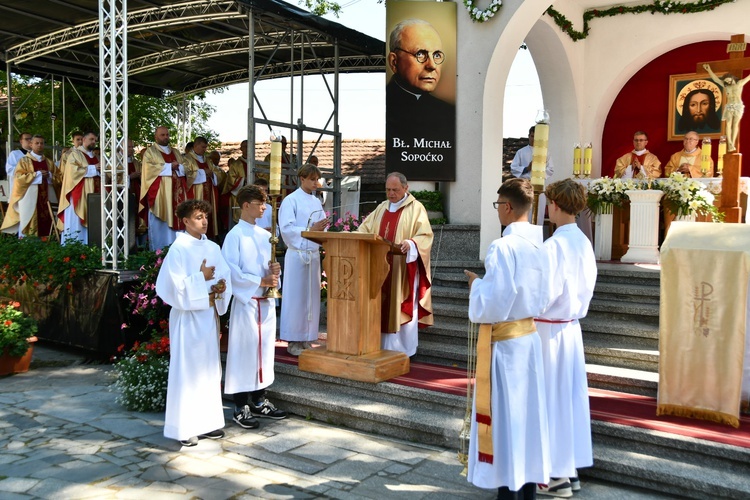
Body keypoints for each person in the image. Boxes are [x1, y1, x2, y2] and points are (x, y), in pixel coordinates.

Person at [463, 178, 551, 499]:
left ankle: (507, 491)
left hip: (506, 348)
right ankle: (527, 490)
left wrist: (476, 286)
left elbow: (494, 303)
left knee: (504, 421)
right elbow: (543, 296)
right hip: (528, 338)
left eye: (498, 205)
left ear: (508, 207)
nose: (498, 211)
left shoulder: (503, 246)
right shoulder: (542, 246)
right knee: (525, 420)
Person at [536, 179, 597, 498]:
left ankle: (553, 475)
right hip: (570, 328)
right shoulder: (583, 242)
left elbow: (542, 295)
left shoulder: (554, 246)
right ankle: (569, 469)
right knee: (567, 400)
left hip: (548, 330)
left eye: (548, 203)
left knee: (551, 399)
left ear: (555, 206)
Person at [155, 199, 231, 447]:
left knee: (208, 369)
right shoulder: (179, 249)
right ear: (186, 221)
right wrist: (201, 277)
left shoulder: (213, 247)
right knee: (187, 370)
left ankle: (207, 423)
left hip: (208, 314)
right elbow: (170, 287)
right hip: (187, 317)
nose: (204, 221)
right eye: (198, 217)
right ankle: (184, 427)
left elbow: (224, 275)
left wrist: (220, 286)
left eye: (205, 216)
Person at [222, 185, 287, 429]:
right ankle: (240, 406)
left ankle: (260, 399)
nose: (264, 208)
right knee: (244, 352)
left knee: (263, 352)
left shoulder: (264, 235)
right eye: (260, 204)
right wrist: (260, 281)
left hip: (265, 302)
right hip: (247, 302)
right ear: (245, 205)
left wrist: (275, 274)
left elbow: (269, 266)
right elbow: (230, 270)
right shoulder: (234, 235)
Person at [357, 172, 433, 357]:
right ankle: (381, 347)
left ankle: (404, 351)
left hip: (402, 268)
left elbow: (425, 235)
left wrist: (412, 243)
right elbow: (364, 230)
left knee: (401, 307)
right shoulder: (382, 208)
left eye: (395, 190)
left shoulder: (416, 208)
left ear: (406, 188)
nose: (391, 194)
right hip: (379, 267)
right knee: (380, 307)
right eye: (388, 190)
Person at [386, 19, 455, 180]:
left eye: (436, 55)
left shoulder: (448, 111)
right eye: (420, 54)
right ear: (394, 62)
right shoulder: (390, 109)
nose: (432, 65)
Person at [278, 163, 328, 356]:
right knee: (297, 298)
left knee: (311, 298)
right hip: (298, 255)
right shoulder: (291, 200)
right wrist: (310, 230)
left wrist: (322, 227)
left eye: (317, 179)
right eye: (312, 179)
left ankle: (307, 336)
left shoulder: (316, 201)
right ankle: (293, 340)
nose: (316, 183)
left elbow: (320, 225)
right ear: (302, 179)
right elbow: (287, 229)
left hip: (313, 255)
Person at [140, 126, 188, 251]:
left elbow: (185, 167)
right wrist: (169, 166)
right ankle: (158, 255)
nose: (166, 137)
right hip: (161, 195)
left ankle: (178, 251)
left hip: (177, 194)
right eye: (162, 135)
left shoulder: (176, 152)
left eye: (167, 135)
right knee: (161, 225)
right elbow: (148, 170)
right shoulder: (150, 152)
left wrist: (179, 167)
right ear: (155, 136)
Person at [1, 135, 56, 238]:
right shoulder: (24, 161)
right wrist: (37, 175)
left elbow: (59, 177)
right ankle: (27, 246)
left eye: (42, 143)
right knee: (28, 219)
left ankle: (48, 243)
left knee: (47, 220)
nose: (40, 145)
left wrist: (50, 175)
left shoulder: (49, 162)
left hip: (46, 197)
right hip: (29, 198)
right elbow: (18, 177)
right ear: (31, 144)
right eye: (37, 143)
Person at [57, 131, 100, 244]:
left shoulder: (96, 156)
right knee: (76, 223)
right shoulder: (75, 154)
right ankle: (74, 247)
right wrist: (94, 168)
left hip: (94, 195)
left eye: (95, 140)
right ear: (84, 140)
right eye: (91, 139)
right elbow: (73, 172)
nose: (94, 142)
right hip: (79, 195)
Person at [184, 136, 224, 240]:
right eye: (202, 147)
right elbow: (186, 175)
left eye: (206, 147)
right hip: (196, 193)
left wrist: (212, 174)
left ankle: (210, 238)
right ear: (195, 146)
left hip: (209, 194)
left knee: (208, 215)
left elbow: (218, 172)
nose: (204, 150)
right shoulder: (187, 159)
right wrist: (203, 172)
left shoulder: (208, 160)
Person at [704, 63, 750, 152]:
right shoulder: (726, 85)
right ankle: (730, 143)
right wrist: (708, 69)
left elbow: (749, 77)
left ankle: (732, 142)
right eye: (727, 81)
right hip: (729, 106)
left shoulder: (739, 83)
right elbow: (716, 79)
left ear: (732, 78)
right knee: (728, 123)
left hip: (738, 106)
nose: (728, 82)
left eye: (729, 81)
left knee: (735, 124)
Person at [222, 139, 248, 229]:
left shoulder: (256, 164)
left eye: (249, 146)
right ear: (241, 149)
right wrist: (244, 180)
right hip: (238, 196)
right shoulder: (235, 164)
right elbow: (230, 181)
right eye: (245, 147)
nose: (247, 149)